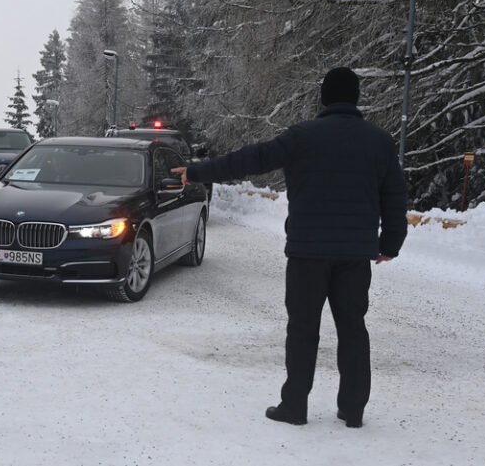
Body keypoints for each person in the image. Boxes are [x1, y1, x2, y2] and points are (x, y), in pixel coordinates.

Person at [172, 67, 408, 428]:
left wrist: (198, 171)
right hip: (354, 255)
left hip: (307, 254)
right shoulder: (379, 141)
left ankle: (294, 406)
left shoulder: (303, 136)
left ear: (323, 99)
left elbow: (250, 159)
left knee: (302, 329)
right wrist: (391, 242)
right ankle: (353, 410)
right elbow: (394, 196)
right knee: (353, 329)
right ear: (357, 98)